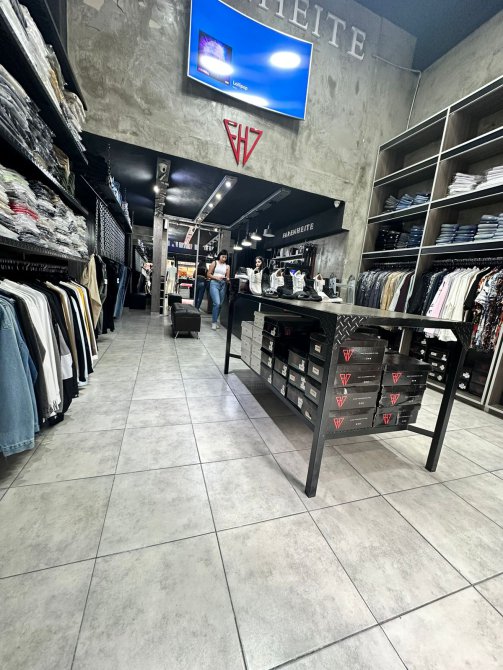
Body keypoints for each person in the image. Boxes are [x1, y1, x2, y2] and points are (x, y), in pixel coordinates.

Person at [208, 250, 230, 330]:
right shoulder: (214, 263)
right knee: (216, 303)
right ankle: (214, 322)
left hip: (223, 284)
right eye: (223, 257)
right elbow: (208, 274)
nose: (224, 259)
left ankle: (215, 320)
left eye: (225, 257)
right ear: (219, 256)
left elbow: (227, 277)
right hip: (214, 283)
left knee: (220, 304)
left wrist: (227, 279)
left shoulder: (227, 266)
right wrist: (216, 277)